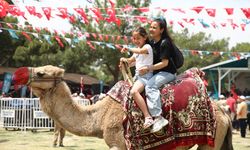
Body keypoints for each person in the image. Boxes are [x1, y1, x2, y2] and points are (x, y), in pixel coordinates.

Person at [139, 17, 177, 133]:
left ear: (161, 30)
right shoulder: (151, 43)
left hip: (168, 72)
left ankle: (158, 117)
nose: (151, 29)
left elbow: (165, 63)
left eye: (154, 27)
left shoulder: (165, 43)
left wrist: (148, 68)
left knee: (150, 86)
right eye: (150, 27)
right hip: (157, 72)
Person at [120, 26, 154, 129]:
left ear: (145, 37)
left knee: (134, 92)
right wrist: (123, 62)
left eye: (138, 38)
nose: (136, 41)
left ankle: (148, 117)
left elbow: (140, 52)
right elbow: (130, 61)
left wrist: (128, 48)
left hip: (146, 77)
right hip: (137, 77)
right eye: (134, 39)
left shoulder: (147, 47)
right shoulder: (137, 51)